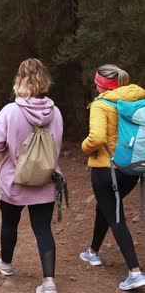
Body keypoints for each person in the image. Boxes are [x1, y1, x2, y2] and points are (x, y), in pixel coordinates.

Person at [0, 58, 63, 293]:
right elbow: (56, 144)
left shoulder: (11, 111)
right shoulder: (56, 112)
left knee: (10, 223)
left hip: (14, 181)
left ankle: (6, 264)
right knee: (43, 229)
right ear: (45, 81)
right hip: (46, 181)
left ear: (19, 80)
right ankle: (48, 281)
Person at [79, 64, 145, 291]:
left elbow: (96, 138)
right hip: (131, 169)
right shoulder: (134, 99)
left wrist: (84, 147)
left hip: (106, 169)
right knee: (106, 208)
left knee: (116, 215)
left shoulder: (101, 104)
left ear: (101, 83)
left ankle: (134, 272)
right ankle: (92, 252)